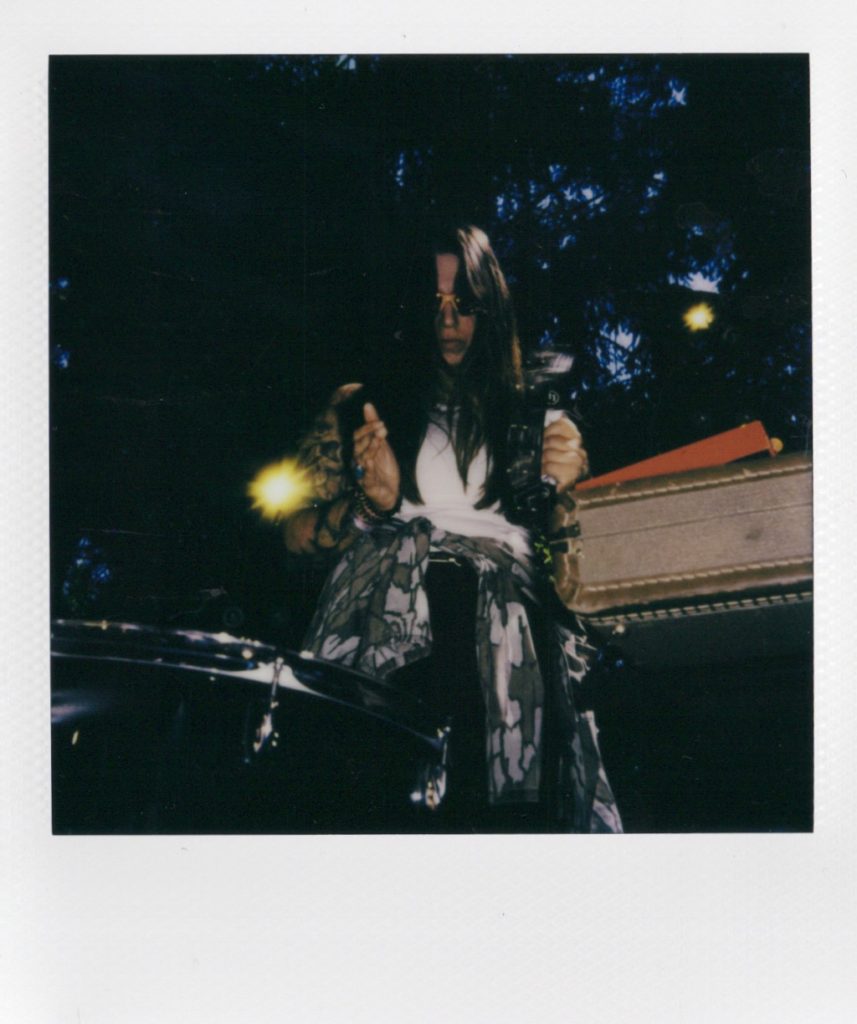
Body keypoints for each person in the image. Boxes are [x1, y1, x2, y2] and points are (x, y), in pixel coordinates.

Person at [283, 224, 621, 833]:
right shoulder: (360, 405)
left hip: (509, 646)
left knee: (494, 826)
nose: (448, 320)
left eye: (464, 302)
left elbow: (592, 572)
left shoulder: (537, 413)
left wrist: (568, 489)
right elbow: (294, 537)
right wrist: (368, 507)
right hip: (385, 628)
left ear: (491, 306)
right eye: (433, 303)